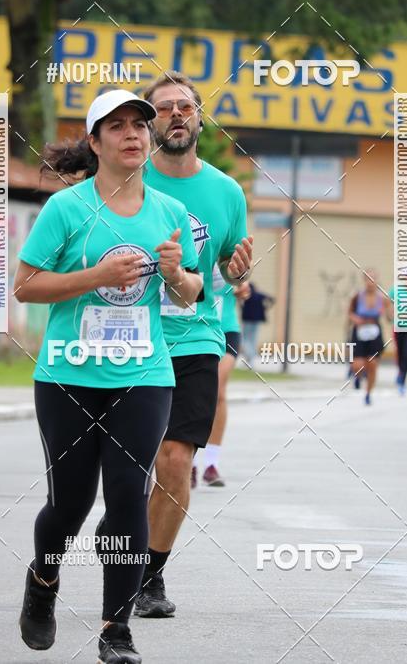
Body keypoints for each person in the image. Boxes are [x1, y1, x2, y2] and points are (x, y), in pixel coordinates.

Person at [13, 89, 201, 664]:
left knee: (126, 496)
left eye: (140, 126)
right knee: (69, 504)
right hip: (69, 373)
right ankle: (43, 581)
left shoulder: (169, 214)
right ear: (94, 143)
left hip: (144, 372)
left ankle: (115, 630)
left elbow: (192, 293)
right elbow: (25, 286)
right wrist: (95, 274)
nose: (133, 135)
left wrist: (176, 276)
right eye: (116, 127)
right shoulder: (66, 210)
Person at [127, 70, 252, 619]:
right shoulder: (125, 180)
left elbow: (225, 268)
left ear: (200, 117)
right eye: (164, 107)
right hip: (127, 339)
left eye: (185, 106)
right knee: (131, 466)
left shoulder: (226, 191)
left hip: (197, 334)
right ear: (150, 121)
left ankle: (150, 578)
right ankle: (125, 538)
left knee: (175, 459)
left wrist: (236, 267)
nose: (176, 114)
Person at [192, 269, 250, 488]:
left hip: (225, 329)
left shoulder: (224, 248)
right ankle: (189, 462)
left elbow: (241, 279)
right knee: (191, 394)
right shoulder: (187, 245)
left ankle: (211, 464)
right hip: (194, 329)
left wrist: (243, 286)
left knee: (217, 391)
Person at [349, 268, 391, 406]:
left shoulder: (382, 298)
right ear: (364, 281)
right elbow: (350, 312)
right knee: (357, 365)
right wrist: (355, 319)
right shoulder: (357, 296)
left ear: (377, 281)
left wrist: (389, 311)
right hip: (360, 331)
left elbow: (389, 317)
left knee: (372, 364)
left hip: (374, 332)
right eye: (368, 279)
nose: (370, 282)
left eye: (373, 279)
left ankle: (368, 393)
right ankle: (358, 376)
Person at [240, 283, 274, 367]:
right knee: (252, 339)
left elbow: (240, 304)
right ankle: (250, 358)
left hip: (247, 320)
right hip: (256, 320)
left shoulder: (246, 295)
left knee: (246, 339)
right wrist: (265, 308)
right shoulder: (259, 295)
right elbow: (272, 299)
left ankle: (249, 356)